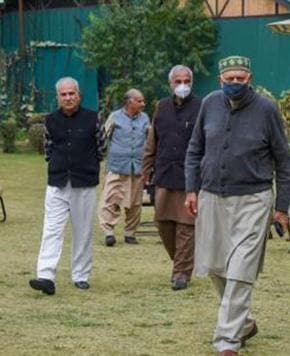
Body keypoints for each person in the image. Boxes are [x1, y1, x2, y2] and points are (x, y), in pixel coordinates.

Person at [184, 55, 290, 356]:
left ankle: (227, 342)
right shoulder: (209, 104)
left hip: (254, 200)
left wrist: (282, 207)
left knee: (241, 268)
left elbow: (283, 160)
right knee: (216, 265)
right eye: (229, 79)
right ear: (221, 80)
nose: (234, 84)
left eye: (240, 79)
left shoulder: (267, 109)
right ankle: (243, 324)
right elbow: (194, 149)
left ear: (249, 78)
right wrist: (191, 188)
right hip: (211, 195)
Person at [29, 77, 106, 295]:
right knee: (51, 229)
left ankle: (80, 275)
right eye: (64, 94)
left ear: (79, 95)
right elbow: (48, 150)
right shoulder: (50, 121)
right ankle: (45, 275)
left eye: (72, 93)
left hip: (84, 183)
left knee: (83, 231)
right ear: (58, 98)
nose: (68, 97)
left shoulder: (93, 118)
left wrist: (85, 164)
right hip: (57, 182)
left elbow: (101, 148)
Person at [143, 65, 201, 291]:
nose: (182, 85)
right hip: (165, 173)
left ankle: (181, 273)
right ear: (171, 84)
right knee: (164, 224)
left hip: (190, 178)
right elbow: (152, 140)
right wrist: (146, 167)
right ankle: (180, 262)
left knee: (186, 226)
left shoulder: (201, 107)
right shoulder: (161, 107)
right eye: (178, 81)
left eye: (186, 80)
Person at [99, 89, 150, 247]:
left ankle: (130, 233)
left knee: (135, 202)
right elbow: (103, 137)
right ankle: (108, 232)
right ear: (130, 102)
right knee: (110, 199)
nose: (143, 104)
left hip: (137, 167)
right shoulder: (115, 117)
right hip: (117, 166)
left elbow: (150, 139)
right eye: (139, 101)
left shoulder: (145, 118)